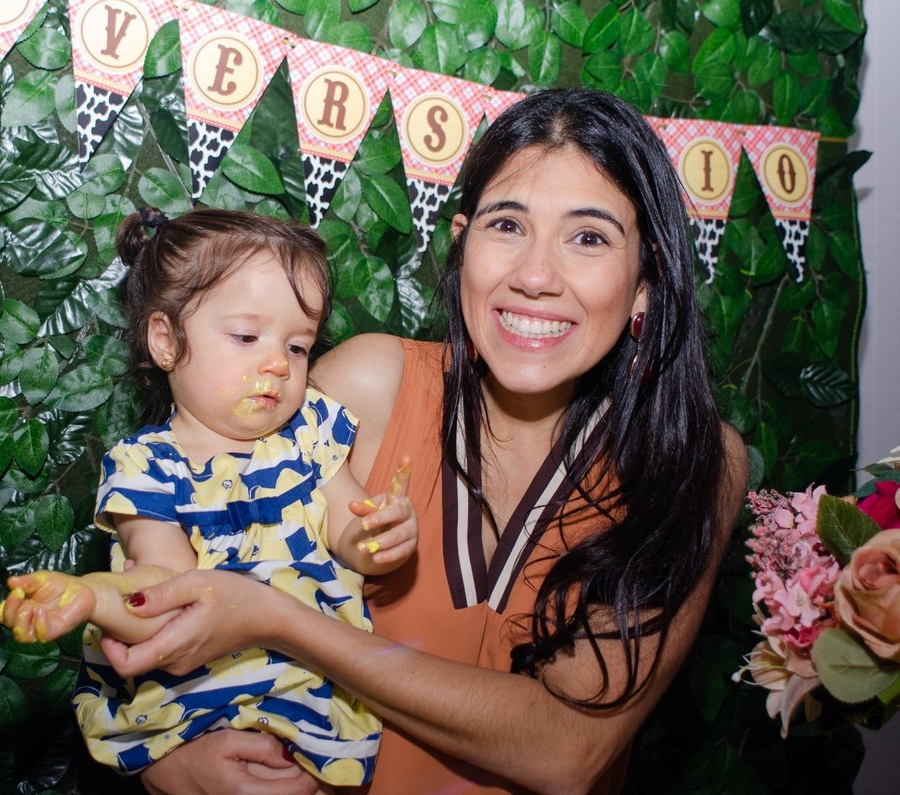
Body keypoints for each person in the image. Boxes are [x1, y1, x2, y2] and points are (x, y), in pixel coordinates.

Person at [97, 88, 750, 795]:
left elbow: (569, 749)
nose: (535, 276)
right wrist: (163, 762)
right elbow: (159, 567)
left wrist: (281, 622)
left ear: (646, 279)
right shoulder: (364, 387)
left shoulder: (691, 461)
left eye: (588, 237)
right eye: (507, 225)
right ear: (462, 244)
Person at [0, 208, 418, 790]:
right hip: (196, 708)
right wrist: (92, 596)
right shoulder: (147, 469)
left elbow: (350, 536)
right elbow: (163, 593)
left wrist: (380, 535)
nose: (277, 364)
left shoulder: (309, 434)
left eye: (297, 346)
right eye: (246, 337)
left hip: (314, 698)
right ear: (166, 341)